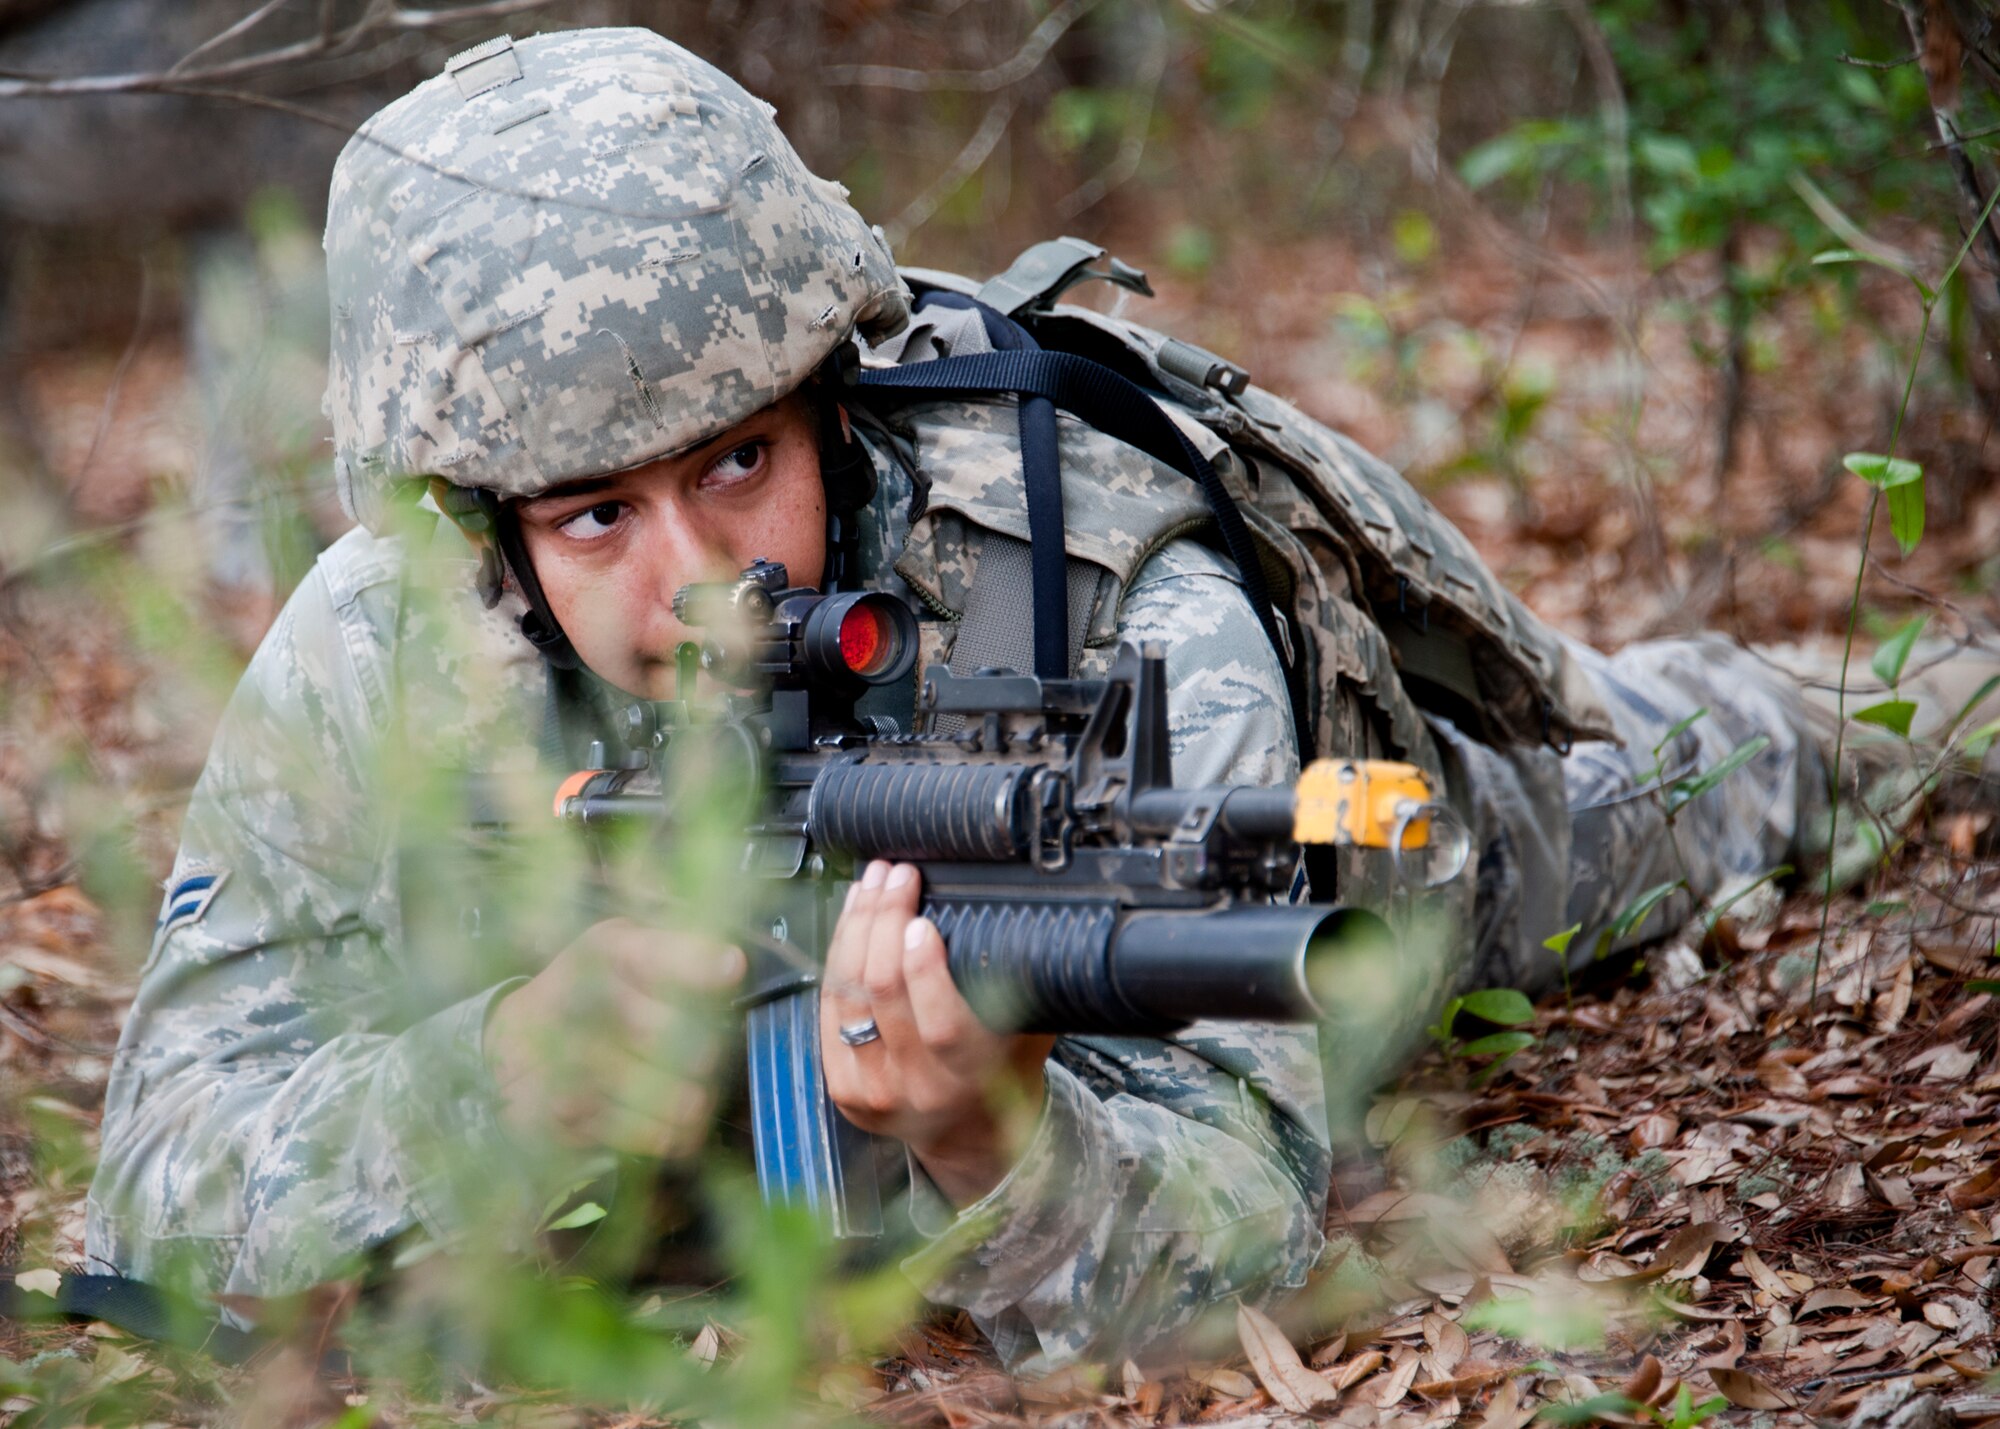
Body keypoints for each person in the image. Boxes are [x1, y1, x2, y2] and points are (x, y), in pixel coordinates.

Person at [85, 26, 1869, 1374]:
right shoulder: (386, 637)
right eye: (597, 515)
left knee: (1713, 768)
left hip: (1354, 855)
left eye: (734, 465)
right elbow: (158, 1170)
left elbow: (1241, 1217)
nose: (700, 584)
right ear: (477, 519)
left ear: (829, 405)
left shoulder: (1101, 584)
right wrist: (497, 1072)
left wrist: (992, 1136)